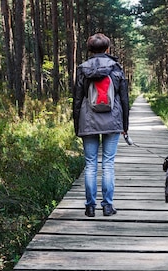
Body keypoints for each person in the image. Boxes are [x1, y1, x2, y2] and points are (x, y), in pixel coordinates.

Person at [73, 33, 129, 217]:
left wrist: (77, 125)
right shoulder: (116, 67)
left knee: (90, 165)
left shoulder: (82, 69)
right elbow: (124, 99)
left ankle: (90, 207)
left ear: (90, 49)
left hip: (88, 120)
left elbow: (78, 99)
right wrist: (125, 125)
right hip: (112, 120)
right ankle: (107, 206)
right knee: (108, 164)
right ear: (107, 49)